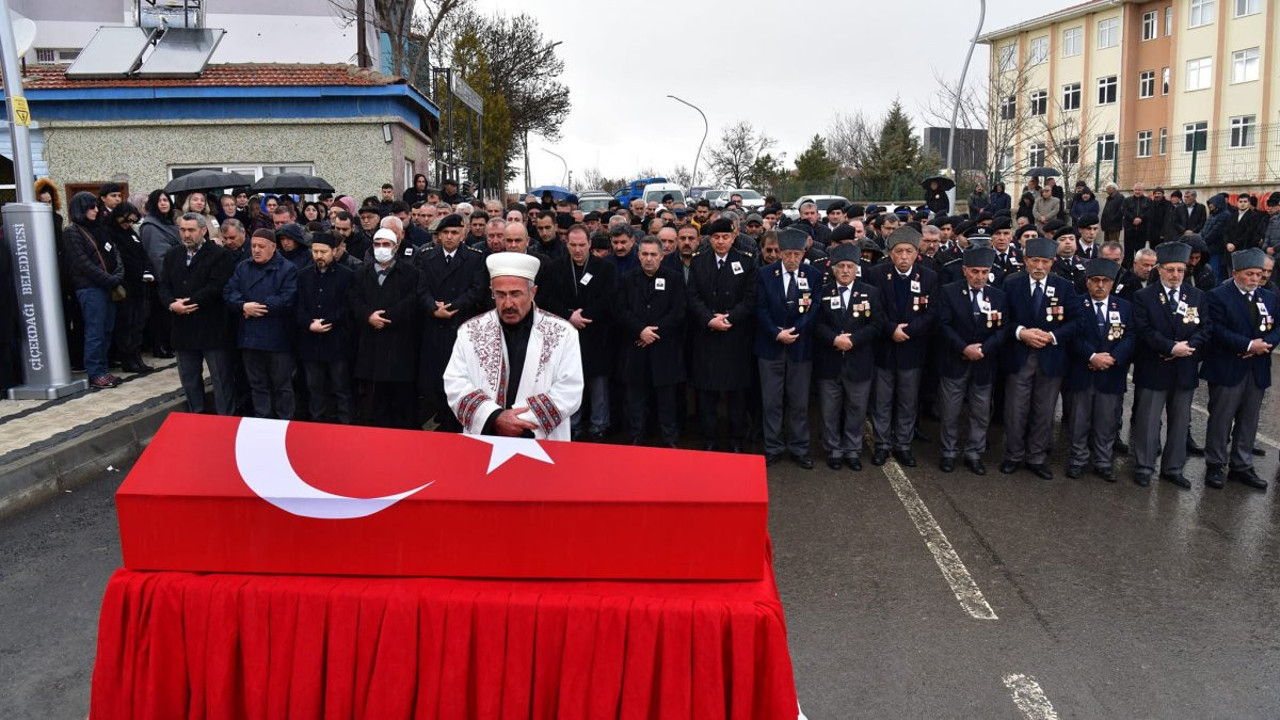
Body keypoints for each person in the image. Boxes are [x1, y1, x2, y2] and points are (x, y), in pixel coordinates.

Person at [443, 252, 583, 439]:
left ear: (532, 292)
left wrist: (518, 421)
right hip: (486, 436)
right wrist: (494, 417)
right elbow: (455, 382)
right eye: (500, 295)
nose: (508, 303)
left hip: (539, 438)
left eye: (515, 294)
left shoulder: (563, 333)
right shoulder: (470, 331)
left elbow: (569, 389)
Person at [1000, 236, 1083, 479]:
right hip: (1020, 356)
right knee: (1015, 410)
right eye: (1034, 260)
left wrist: (1052, 336)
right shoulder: (1011, 284)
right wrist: (1021, 332)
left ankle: (1036, 457)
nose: (1039, 267)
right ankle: (1013, 455)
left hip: (1051, 358)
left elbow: (1078, 321)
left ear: (1052, 262)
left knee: (1044, 410)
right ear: (1025, 260)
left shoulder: (1065, 287)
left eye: (1045, 261)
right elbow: (1001, 318)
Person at [1131, 242, 1211, 488]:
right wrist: (1169, 347)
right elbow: (1143, 329)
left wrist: (1188, 347)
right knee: (1148, 421)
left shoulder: (1196, 296)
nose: (1175, 275)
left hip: (1184, 367)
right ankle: (1144, 466)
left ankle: (1173, 468)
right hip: (1154, 365)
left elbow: (1205, 327)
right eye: (1170, 270)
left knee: (1179, 422)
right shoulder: (1144, 296)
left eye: (1180, 270)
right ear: (1159, 270)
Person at [1200, 248, 1276, 490]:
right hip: (1227, 366)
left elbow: (1277, 327)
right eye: (1250, 274)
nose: (1255, 279)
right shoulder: (1218, 296)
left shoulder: (1270, 297)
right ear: (1235, 273)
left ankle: (1242, 465)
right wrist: (1247, 344)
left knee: (1249, 419)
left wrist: (1266, 344)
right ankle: (1215, 464)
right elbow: (1216, 329)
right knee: (1222, 418)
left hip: (1257, 367)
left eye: (1259, 274)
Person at [864, 226, 938, 467]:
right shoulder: (876, 274)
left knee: (908, 400)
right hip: (884, 349)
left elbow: (932, 312)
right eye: (899, 251)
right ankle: (883, 444)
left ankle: (903, 445)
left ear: (917, 253)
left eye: (909, 251)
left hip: (912, 350)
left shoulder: (928, 277)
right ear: (891, 253)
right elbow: (873, 310)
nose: (904, 256)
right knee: (882, 401)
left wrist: (910, 330)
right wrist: (891, 329)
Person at [540, 224, 617, 441]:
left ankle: (599, 425)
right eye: (573, 245)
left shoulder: (605, 268)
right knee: (568, 383)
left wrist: (584, 315)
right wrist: (568, 315)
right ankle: (572, 425)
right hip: (565, 334)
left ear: (589, 244)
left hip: (596, 333)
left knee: (598, 385)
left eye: (582, 245)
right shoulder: (555, 268)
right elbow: (546, 299)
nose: (577, 250)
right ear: (567, 244)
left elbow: (609, 298)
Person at [754, 228, 823, 469]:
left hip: (800, 347)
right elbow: (760, 309)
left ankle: (799, 447)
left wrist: (795, 331)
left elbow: (814, 308)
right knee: (771, 401)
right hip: (770, 346)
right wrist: (776, 332)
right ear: (780, 253)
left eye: (797, 254)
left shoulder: (813, 275)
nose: (793, 259)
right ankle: (772, 446)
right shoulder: (764, 274)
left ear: (804, 253)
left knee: (799, 400)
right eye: (788, 254)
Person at [686, 218, 757, 452]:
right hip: (707, 337)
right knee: (707, 394)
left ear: (733, 237)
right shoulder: (699, 262)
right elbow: (693, 297)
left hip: (735, 337)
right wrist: (709, 319)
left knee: (736, 394)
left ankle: (736, 440)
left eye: (725, 237)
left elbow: (750, 298)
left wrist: (729, 319)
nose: (720, 242)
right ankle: (710, 439)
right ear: (709, 239)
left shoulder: (745, 262)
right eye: (716, 237)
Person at [936, 246, 1007, 475]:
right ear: (965, 270)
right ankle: (949, 451)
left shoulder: (998, 295)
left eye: (984, 272)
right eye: (975, 271)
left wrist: (983, 349)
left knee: (980, 411)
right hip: (955, 360)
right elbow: (943, 325)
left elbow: (1003, 328)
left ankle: (974, 452)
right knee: (951, 410)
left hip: (984, 363)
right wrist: (964, 348)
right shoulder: (949, 291)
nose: (979, 277)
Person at [1063, 258, 1135, 482]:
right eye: (1095, 280)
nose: (1100, 285)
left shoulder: (1124, 307)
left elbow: (1132, 336)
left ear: (1112, 283)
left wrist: (1113, 358)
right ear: (1087, 282)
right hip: (1082, 371)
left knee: (1107, 421)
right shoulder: (1076, 304)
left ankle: (1103, 461)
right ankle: (1077, 459)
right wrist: (1092, 356)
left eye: (1105, 281)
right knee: (1078, 420)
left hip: (1111, 373)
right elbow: (1072, 335)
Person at [160, 213, 237, 415]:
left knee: (221, 379)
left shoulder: (219, 255)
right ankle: (197, 418)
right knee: (190, 379)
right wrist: (170, 304)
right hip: (182, 328)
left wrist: (189, 302)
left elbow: (216, 286)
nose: (186, 234)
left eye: (191, 230)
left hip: (211, 327)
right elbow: (163, 286)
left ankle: (225, 420)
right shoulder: (172, 255)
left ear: (203, 230)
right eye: (183, 230)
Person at [813, 243, 881, 471]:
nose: (845, 270)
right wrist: (834, 339)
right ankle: (833, 449)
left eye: (850, 266)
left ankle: (852, 449)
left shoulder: (871, 292)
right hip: (829, 361)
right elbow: (816, 323)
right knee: (829, 409)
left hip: (859, 360)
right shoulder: (822, 292)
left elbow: (877, 324)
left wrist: (853, 340)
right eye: (841, 266)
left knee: (856, 408)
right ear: (833, 269)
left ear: (856, 269)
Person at [417, 213, 487, 431]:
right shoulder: (427, 256)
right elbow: (421, 289)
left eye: (454, 232)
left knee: (460, 376)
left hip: (460, 324)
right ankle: (440, 417)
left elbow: (477, 290)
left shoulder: (475, 257)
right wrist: (433, 308)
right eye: (445, 233)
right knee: (436, 377)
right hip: (434, 324)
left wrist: (453, 307)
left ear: (463, 233)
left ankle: (457, 419)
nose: (449, 237)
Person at [614, 236, 684, 447]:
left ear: (662, 256)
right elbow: (620, 310)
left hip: (664, 350)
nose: (649, 259)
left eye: (653, 254)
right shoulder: (627, 279)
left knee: (666, 402)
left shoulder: (675, 278)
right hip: (636, 349)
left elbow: (678, 311)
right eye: (645, 254)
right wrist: (640, 330)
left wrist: (653, 333)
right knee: (635, 400)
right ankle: (636, 437)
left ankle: (669, 439)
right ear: (638, 255)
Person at [224, 228, 299, 420]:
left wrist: (258, 308)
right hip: (250, 337)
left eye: (261, 246)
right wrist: (243, 306)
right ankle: (262, 422)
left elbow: (287, 297)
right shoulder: (243, 267)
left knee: (282, 385)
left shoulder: (287, 268)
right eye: (253, 246)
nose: (256, 250)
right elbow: (229, 291)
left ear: (273, 247)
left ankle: (284, 423)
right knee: (257, 385)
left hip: (277, 338)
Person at [351, 228, 421, 429]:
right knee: (373, 403)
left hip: (399, 345)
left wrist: (387, 317)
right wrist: (368, 316)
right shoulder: (361, 274)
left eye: (386, 244)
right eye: (377, 244)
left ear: (396, 246)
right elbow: (353, 300)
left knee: (399, 403)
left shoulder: (410, 274)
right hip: (370, 345)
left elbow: (412, 300)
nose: (381, 249)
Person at [64, 192, 124, 388]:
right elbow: (82, 263)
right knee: (95, 331)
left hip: (108, 286)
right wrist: (109, 279)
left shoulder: (100, 228)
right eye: (91, 207)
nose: (96, 210)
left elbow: (115, 253)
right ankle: (95, 372)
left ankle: (104, 369)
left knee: (107, 330)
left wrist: (117, 275)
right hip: (90, 288)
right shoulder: (73, 231)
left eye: (96, 206)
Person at [295, 232, 355, 424]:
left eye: (323, 252)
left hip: (337, 341)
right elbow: (297, 305)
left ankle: (345, 425)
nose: (319, 256)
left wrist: (328, 321)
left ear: (334, 251)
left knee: (341, 388)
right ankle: (317, 424)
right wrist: (309, 324)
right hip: (310, 341)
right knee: (314, 388)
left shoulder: (347, 275)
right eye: (315, 251)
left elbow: (348, 306)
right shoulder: (303, 275)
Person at [107, 203, 154, 374]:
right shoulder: (112, 233)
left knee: (138, 322)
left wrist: (147, 269)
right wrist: (139, 271)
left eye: (132, 221)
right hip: (125, 284)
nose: (128, 224)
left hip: (140, 283)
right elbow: (122, 258)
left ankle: (136, 357)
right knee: (127, 323)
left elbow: (142, 253)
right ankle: (127, 359)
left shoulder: (131, 233)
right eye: (126, 221)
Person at [139, 189, 180, 358]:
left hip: (174, 274)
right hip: (161, 278)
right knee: (160, 315)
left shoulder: (168, 223)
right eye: (159, 200)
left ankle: (169, 344)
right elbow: (157, 256)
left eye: (166, 200)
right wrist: (168, 280)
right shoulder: (151, 226)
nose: (163, 203)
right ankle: (160, 346)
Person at [1121, 183, 1152, 263]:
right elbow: (1124, 211)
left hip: (1142, 230)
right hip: (1129, 230)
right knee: (1128, 252)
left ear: (1143, 190)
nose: (1137, 192)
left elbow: (1149, 212)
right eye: (1136, 190)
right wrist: (1133, 219)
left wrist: (1140, 218)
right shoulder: (1127, 200)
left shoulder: (1148, 200)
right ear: (1133, 190)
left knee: (1140, 253)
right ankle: (1128, 269)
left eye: (1139, 190)